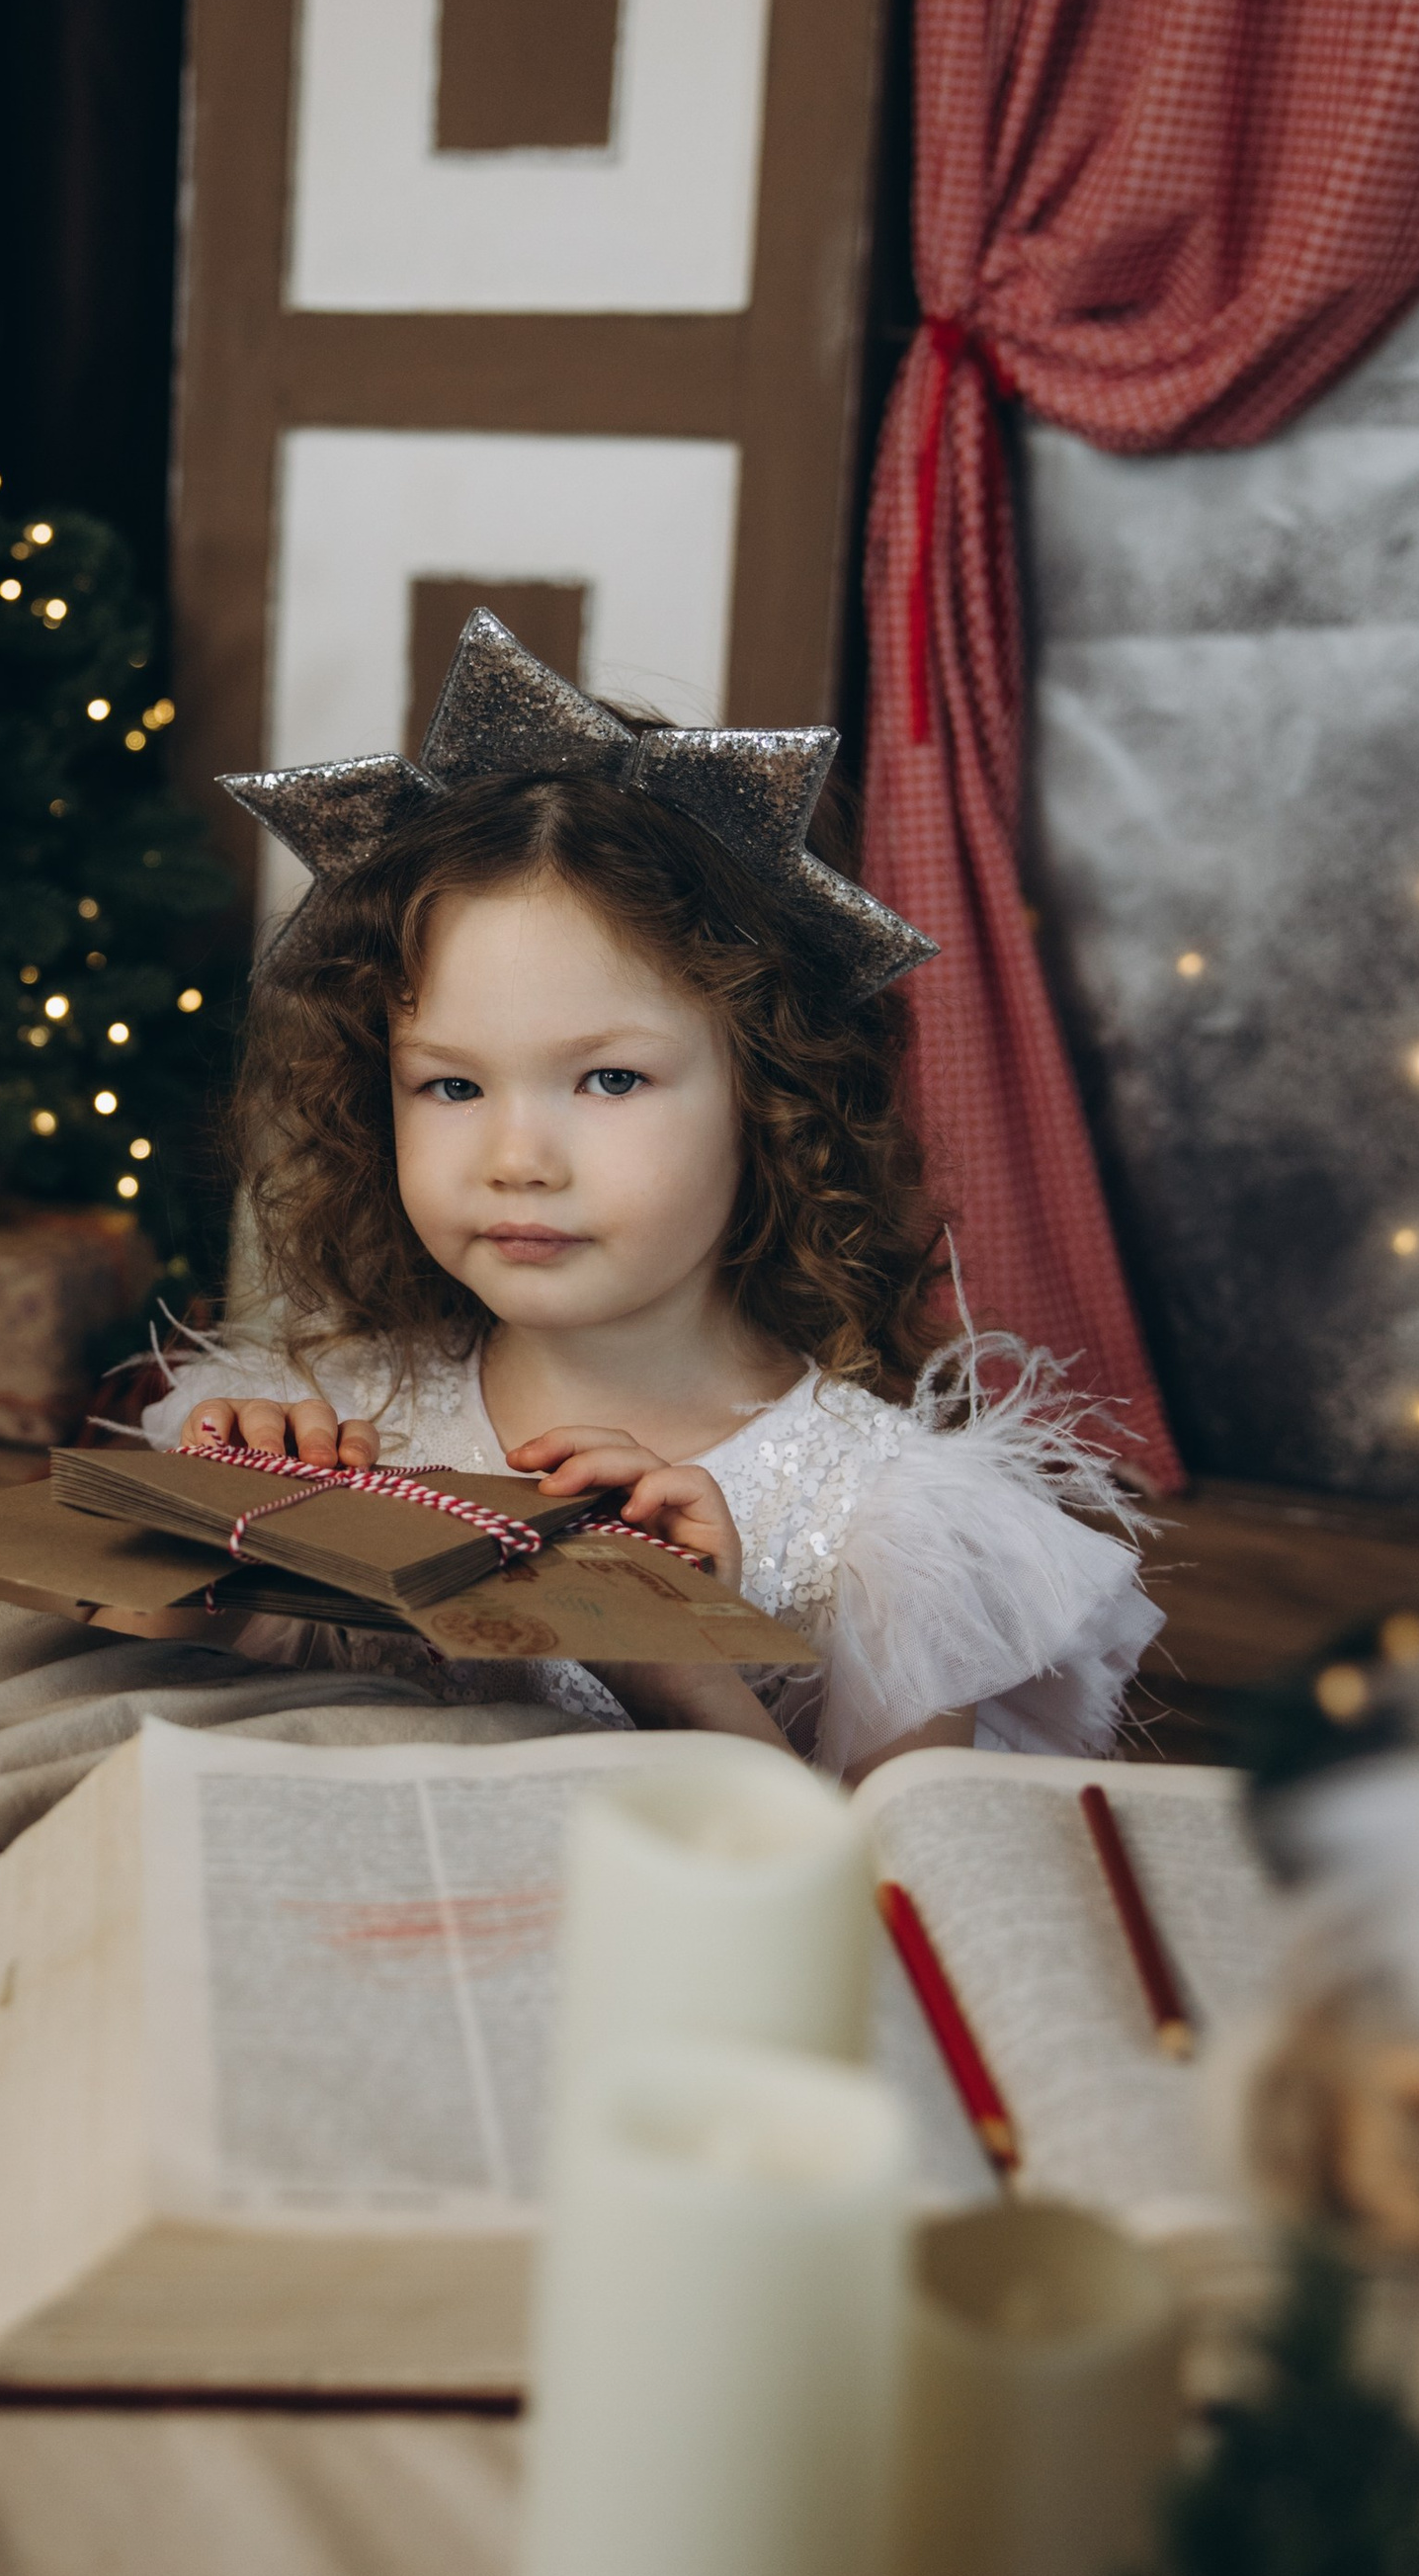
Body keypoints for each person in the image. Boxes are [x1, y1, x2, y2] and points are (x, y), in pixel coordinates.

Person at [140, 615, 1160, 1782]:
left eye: (610, 1078)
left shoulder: (887, 1531)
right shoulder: (318, 1425)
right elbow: (147, 1757)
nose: (517, 1158)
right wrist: (201, 1573)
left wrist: (678, 1670)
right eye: (452, 1084)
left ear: (768, 1096)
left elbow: (886, 1911)